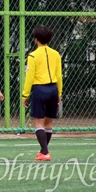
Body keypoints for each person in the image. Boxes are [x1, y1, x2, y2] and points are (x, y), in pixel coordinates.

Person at [22, 26, 62, 162]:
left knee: (38, 122)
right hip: (53, 89)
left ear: (36, 39)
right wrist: (59, 93)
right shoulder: (56, 54)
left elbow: (29, 76)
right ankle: (42, 151)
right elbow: (59, 75)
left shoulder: (32, 55)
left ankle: (45, 152)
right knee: (48, 123)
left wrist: (25, 95)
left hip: (39, 89)